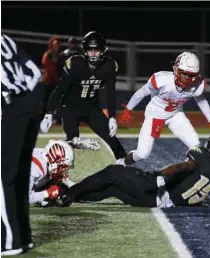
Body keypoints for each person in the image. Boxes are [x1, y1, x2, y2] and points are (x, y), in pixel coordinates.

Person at [58, 131, 210, 208]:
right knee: (113, 190)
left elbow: (182, 167)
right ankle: (71, 198)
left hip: (157, 189)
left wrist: (158, 175)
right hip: (164, 204)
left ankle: (70, 191)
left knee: (112, 173)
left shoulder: (200, 157)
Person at [39, 31, 127, 164]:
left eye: (96, 50)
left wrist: (112, 117)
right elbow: (60, 90)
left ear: (103, 50)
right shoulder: (75, 64)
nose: (93, 54)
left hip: (92, 107)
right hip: (70, 107)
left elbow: (110, 93)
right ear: (84, 50)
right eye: (89, 50)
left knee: (112, 139)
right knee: (72, 142)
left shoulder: (109, 66)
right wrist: (48, 113)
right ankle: (53, 162)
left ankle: (124, 165)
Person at [119, 52, 210, 166]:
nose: (187, 78)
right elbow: (141, 93)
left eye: (191, 75)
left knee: (196, 146)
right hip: (155, 115)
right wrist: (128, 109)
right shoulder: (162, 80)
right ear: (176, 70)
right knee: (143, 153)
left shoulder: (196, 84)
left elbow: (201, 101)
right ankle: (122, 162)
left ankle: (186, 174)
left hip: (175, 115)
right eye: (184, 74)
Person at [1, 34, 42, 256]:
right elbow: (36, 74)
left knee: (3, 177)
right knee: (18, 175)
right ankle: (22, 237)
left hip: (9, 105)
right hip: (30, 104)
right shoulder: (5, 39)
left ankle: (8, 242)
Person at [29, 139, 76, 207]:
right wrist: (47, 193)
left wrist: (72, 143)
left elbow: (53, 145)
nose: (63, 170)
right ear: (53, 159)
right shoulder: (35, 170)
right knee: (47, 200)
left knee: (59, 188)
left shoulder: (42, 154)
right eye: (62, 166)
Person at [40, 36, 61, 122]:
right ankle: (42, 118)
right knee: (45, 101)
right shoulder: (48, 55)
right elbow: (46, 65)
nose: (56, 47)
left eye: (57, 45)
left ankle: (58, 119)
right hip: (48, 81)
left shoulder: (59, 56)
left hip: (56, 82)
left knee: (58, 101)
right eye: (54, 45)